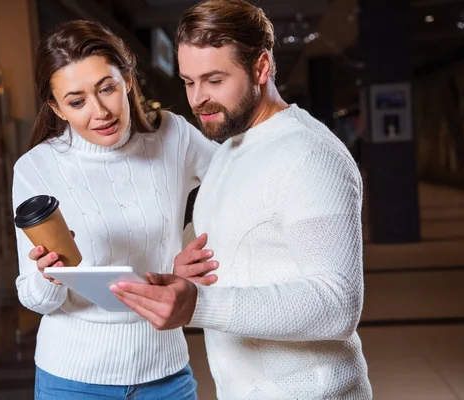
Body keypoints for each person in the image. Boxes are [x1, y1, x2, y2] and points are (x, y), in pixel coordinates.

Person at [110, 0, 373, 398]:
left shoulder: (310, 155)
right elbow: (234, 235)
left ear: (261, 68)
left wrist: (197, 305)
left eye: (214, 80)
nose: (198, 99)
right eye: (188, 81)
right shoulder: (228, 150)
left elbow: (337, 305)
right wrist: (182, 262)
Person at [12, 20, 219, 399]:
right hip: (71, 379)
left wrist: (192, 245)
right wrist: (50, 276)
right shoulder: (35, 168)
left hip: (166, 373)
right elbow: (35, 298)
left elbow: (235, 189)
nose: (100, 111)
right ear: (57, 108)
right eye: (77, 102)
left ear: (127, 79)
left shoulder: (172, 134)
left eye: (106, 88)